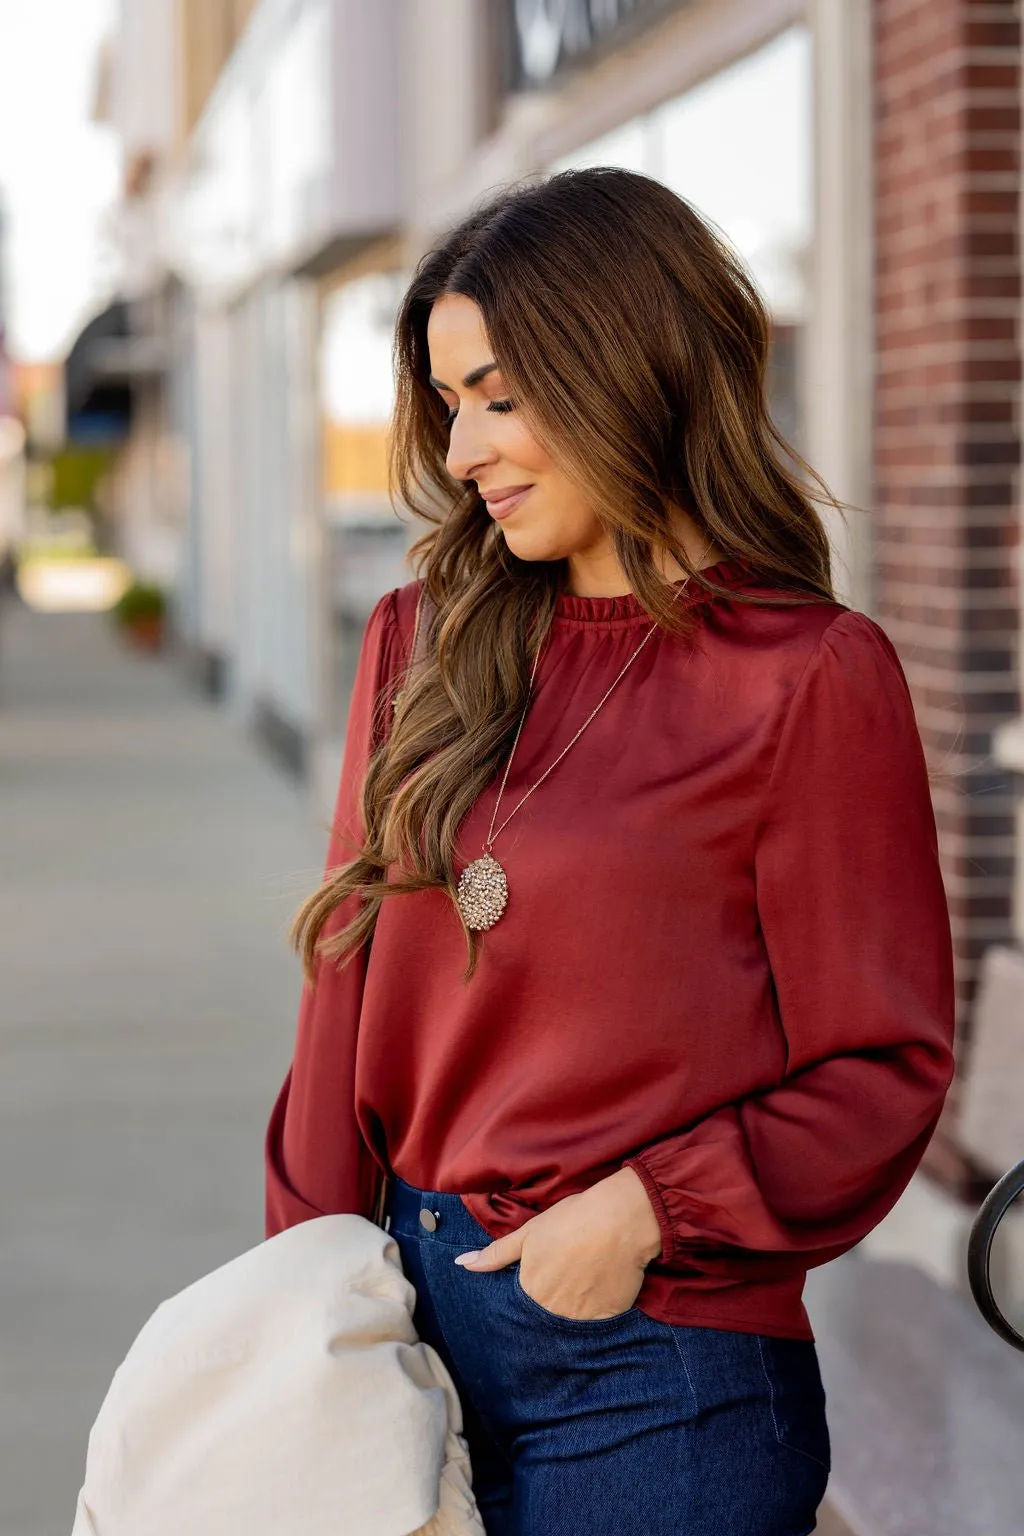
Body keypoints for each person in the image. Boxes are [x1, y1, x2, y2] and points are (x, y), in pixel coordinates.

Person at [265, 167, 956, 1536]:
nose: (462, 452)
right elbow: (343, 999)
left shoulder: (805, 677)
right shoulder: (422, 644)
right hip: (404, 1318)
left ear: (628, 370)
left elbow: (883, 1064)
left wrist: (645, 1212)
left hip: (654, 1363)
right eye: (450, 402)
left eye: (502, 397)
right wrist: (308, 1291)